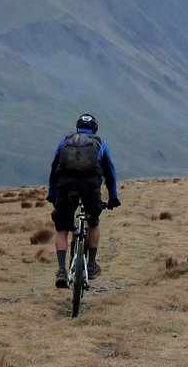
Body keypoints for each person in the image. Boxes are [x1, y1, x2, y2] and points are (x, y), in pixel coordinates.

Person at [47, 113, 120, 288]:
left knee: (63, 227)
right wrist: (113, 196)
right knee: (93, 222)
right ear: (94, 128)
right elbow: (110, 172)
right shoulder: (99, 142)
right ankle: (92, 264)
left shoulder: (65, 140)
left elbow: (54, 167)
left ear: (77, 126)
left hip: (66, 186)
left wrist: (52, 193)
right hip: (90, 186)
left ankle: (62, 270)